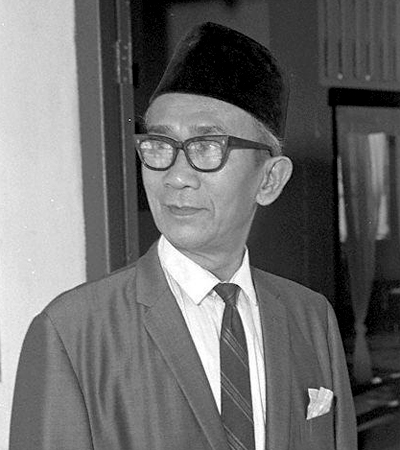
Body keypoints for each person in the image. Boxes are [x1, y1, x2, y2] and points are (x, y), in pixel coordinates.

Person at [10, 22, 357, 450]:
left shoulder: (311, 318)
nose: (176, 177)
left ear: (269, 180)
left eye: (207, 147)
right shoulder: (73, 334)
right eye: (159, 145)